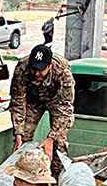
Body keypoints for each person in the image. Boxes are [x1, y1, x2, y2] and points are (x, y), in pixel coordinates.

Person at [9, 44, 74, 176]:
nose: (36, 73)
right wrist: (18, 133)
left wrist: (51, 138)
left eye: (41, 70)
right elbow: (18, 101)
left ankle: (56, 178)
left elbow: (65, 109)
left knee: (58, 142)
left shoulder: (63, 73)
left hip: (56, 102)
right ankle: (23, 178)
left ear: (49, 65)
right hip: (33, 101)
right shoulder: (22, 68)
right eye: (34, 69)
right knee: (23, 140)